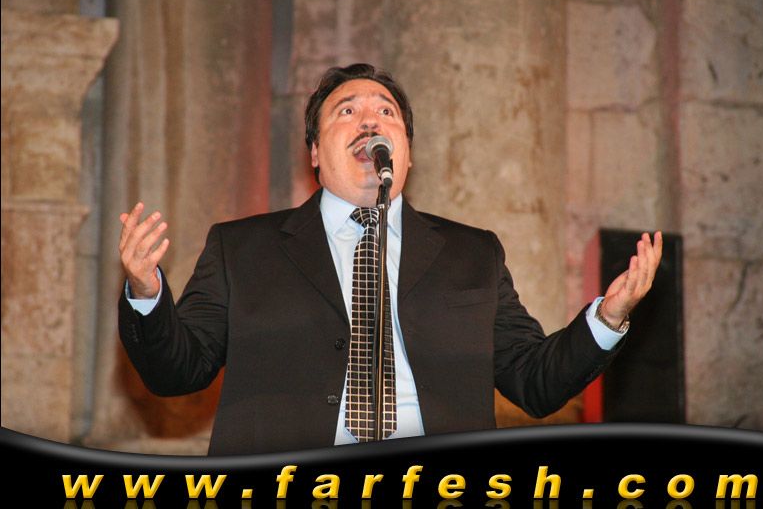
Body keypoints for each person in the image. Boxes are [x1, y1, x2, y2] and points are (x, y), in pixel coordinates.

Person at [118, 63, 662, 455]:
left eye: (386, 112)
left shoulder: (472, 254)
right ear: (314, 152)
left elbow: (533, 381)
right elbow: (177, 370)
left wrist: (607, 318)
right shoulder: (243, 248)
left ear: (408, 152)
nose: (370, 122)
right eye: (347, 111)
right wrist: (147, 294)